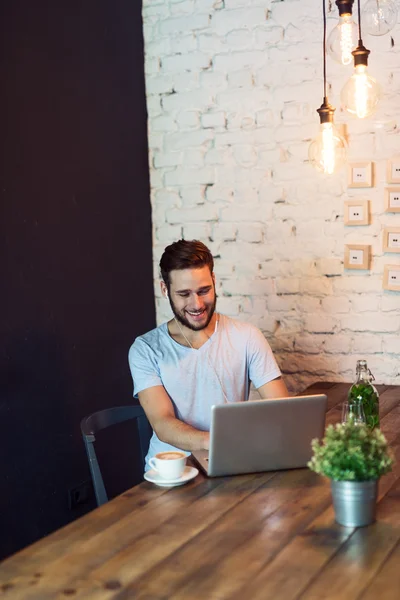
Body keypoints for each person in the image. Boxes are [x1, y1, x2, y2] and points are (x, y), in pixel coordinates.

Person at [128, 239, 288, 470]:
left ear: (214, 281)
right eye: (184, 294)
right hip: (171, 471)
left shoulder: (247, 336)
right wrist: (220, 441)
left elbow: (281, 409)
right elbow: (162, 424)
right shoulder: (145, 349)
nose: (197, 304)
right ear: (165, 290)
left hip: (230, 461)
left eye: (204, 291)